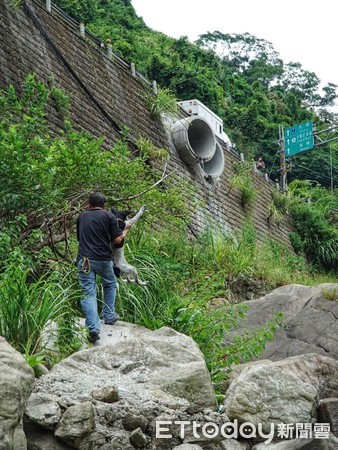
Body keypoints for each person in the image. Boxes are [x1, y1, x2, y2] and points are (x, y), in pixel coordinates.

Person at [76, 192, 130, 343]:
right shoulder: (109, 217)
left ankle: (93, 328)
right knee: (110, 284)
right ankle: (109, 315)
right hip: (103, 260)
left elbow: (79, 238)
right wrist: (125, 231)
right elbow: (117, 240)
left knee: (88, 292)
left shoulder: (82, 217)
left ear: (89, 204)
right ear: (104, 205)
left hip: (84, 260)